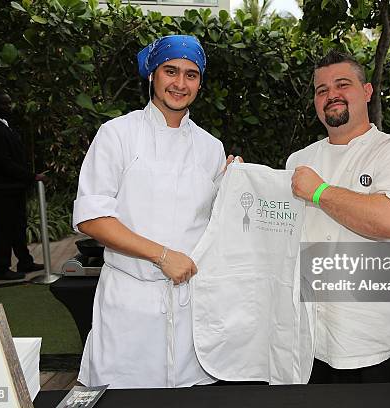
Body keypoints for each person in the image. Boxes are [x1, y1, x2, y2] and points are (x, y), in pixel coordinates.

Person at [73, 35, 237, 388]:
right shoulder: (117, 135)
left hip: (191, 306)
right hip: (129, 304)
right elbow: (92, 216)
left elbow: (215, 222)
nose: (180, 84)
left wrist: (237, 186)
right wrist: (161, 256)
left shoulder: (211, 148)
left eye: (191, 75)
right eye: (170, 71)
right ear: (152, 75)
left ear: (200, 82)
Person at [287, 50, 390, 383]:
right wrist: (238, 186)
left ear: (367, 92)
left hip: (373, 343)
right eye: (321, 89)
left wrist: (319, 192)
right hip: (306, 341)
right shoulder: (299, 159)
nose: (331, 95)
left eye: (342, 84)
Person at [0, 89, 46, 281]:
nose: (9, 107)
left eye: (9, 103)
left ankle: (24, 260)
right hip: (0, 189)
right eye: (4, 104)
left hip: (12, 188)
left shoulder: (1, 124)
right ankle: (0, 268)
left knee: (17, 225)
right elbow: (2, 161)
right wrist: (31, 177)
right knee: (2, 228)